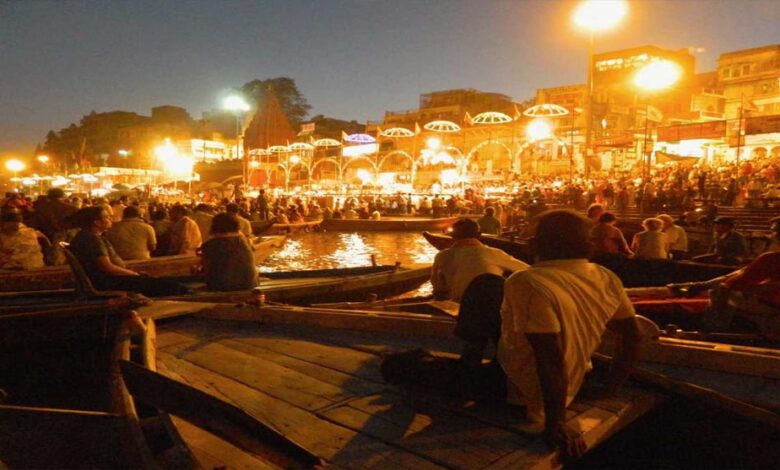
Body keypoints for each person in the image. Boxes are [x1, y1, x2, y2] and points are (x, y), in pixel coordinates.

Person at [500, 210, 639, 455]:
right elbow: (632, 336)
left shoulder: (527, 281)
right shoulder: (605, 276)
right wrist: (610, 387)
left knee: (485, 287)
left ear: (535, 243)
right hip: (576, 382)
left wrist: (556, 422)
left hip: (521, 390)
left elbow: (550, 359)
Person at [432, 218, 529, 365]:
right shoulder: (493, 253)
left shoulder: (441, 256)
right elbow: (527, 271)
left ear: (452, 236)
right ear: (479, 235)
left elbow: (438, 288)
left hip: (462, 308)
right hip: (492, 309)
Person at [67, 206, 189, 296]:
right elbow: (107, 267)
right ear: (96, 222)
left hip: (109, 278)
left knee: (163, 280)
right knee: (168, 285)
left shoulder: (87, 236)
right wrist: (133, 274)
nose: (111, 219)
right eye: (107, 217)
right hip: (109, 281)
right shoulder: (92, 239)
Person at [200, 213, 257, 291]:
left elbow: (208, 270)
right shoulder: (245, 241)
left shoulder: (209, 245)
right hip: (248, 285)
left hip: (221, 287)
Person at [29, 188, 77, 265]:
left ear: (49, 196)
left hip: (46, 237)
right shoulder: (71, 208)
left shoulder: (41, 208)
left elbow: (34, 224)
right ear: (62, 196)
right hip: (66, 237)